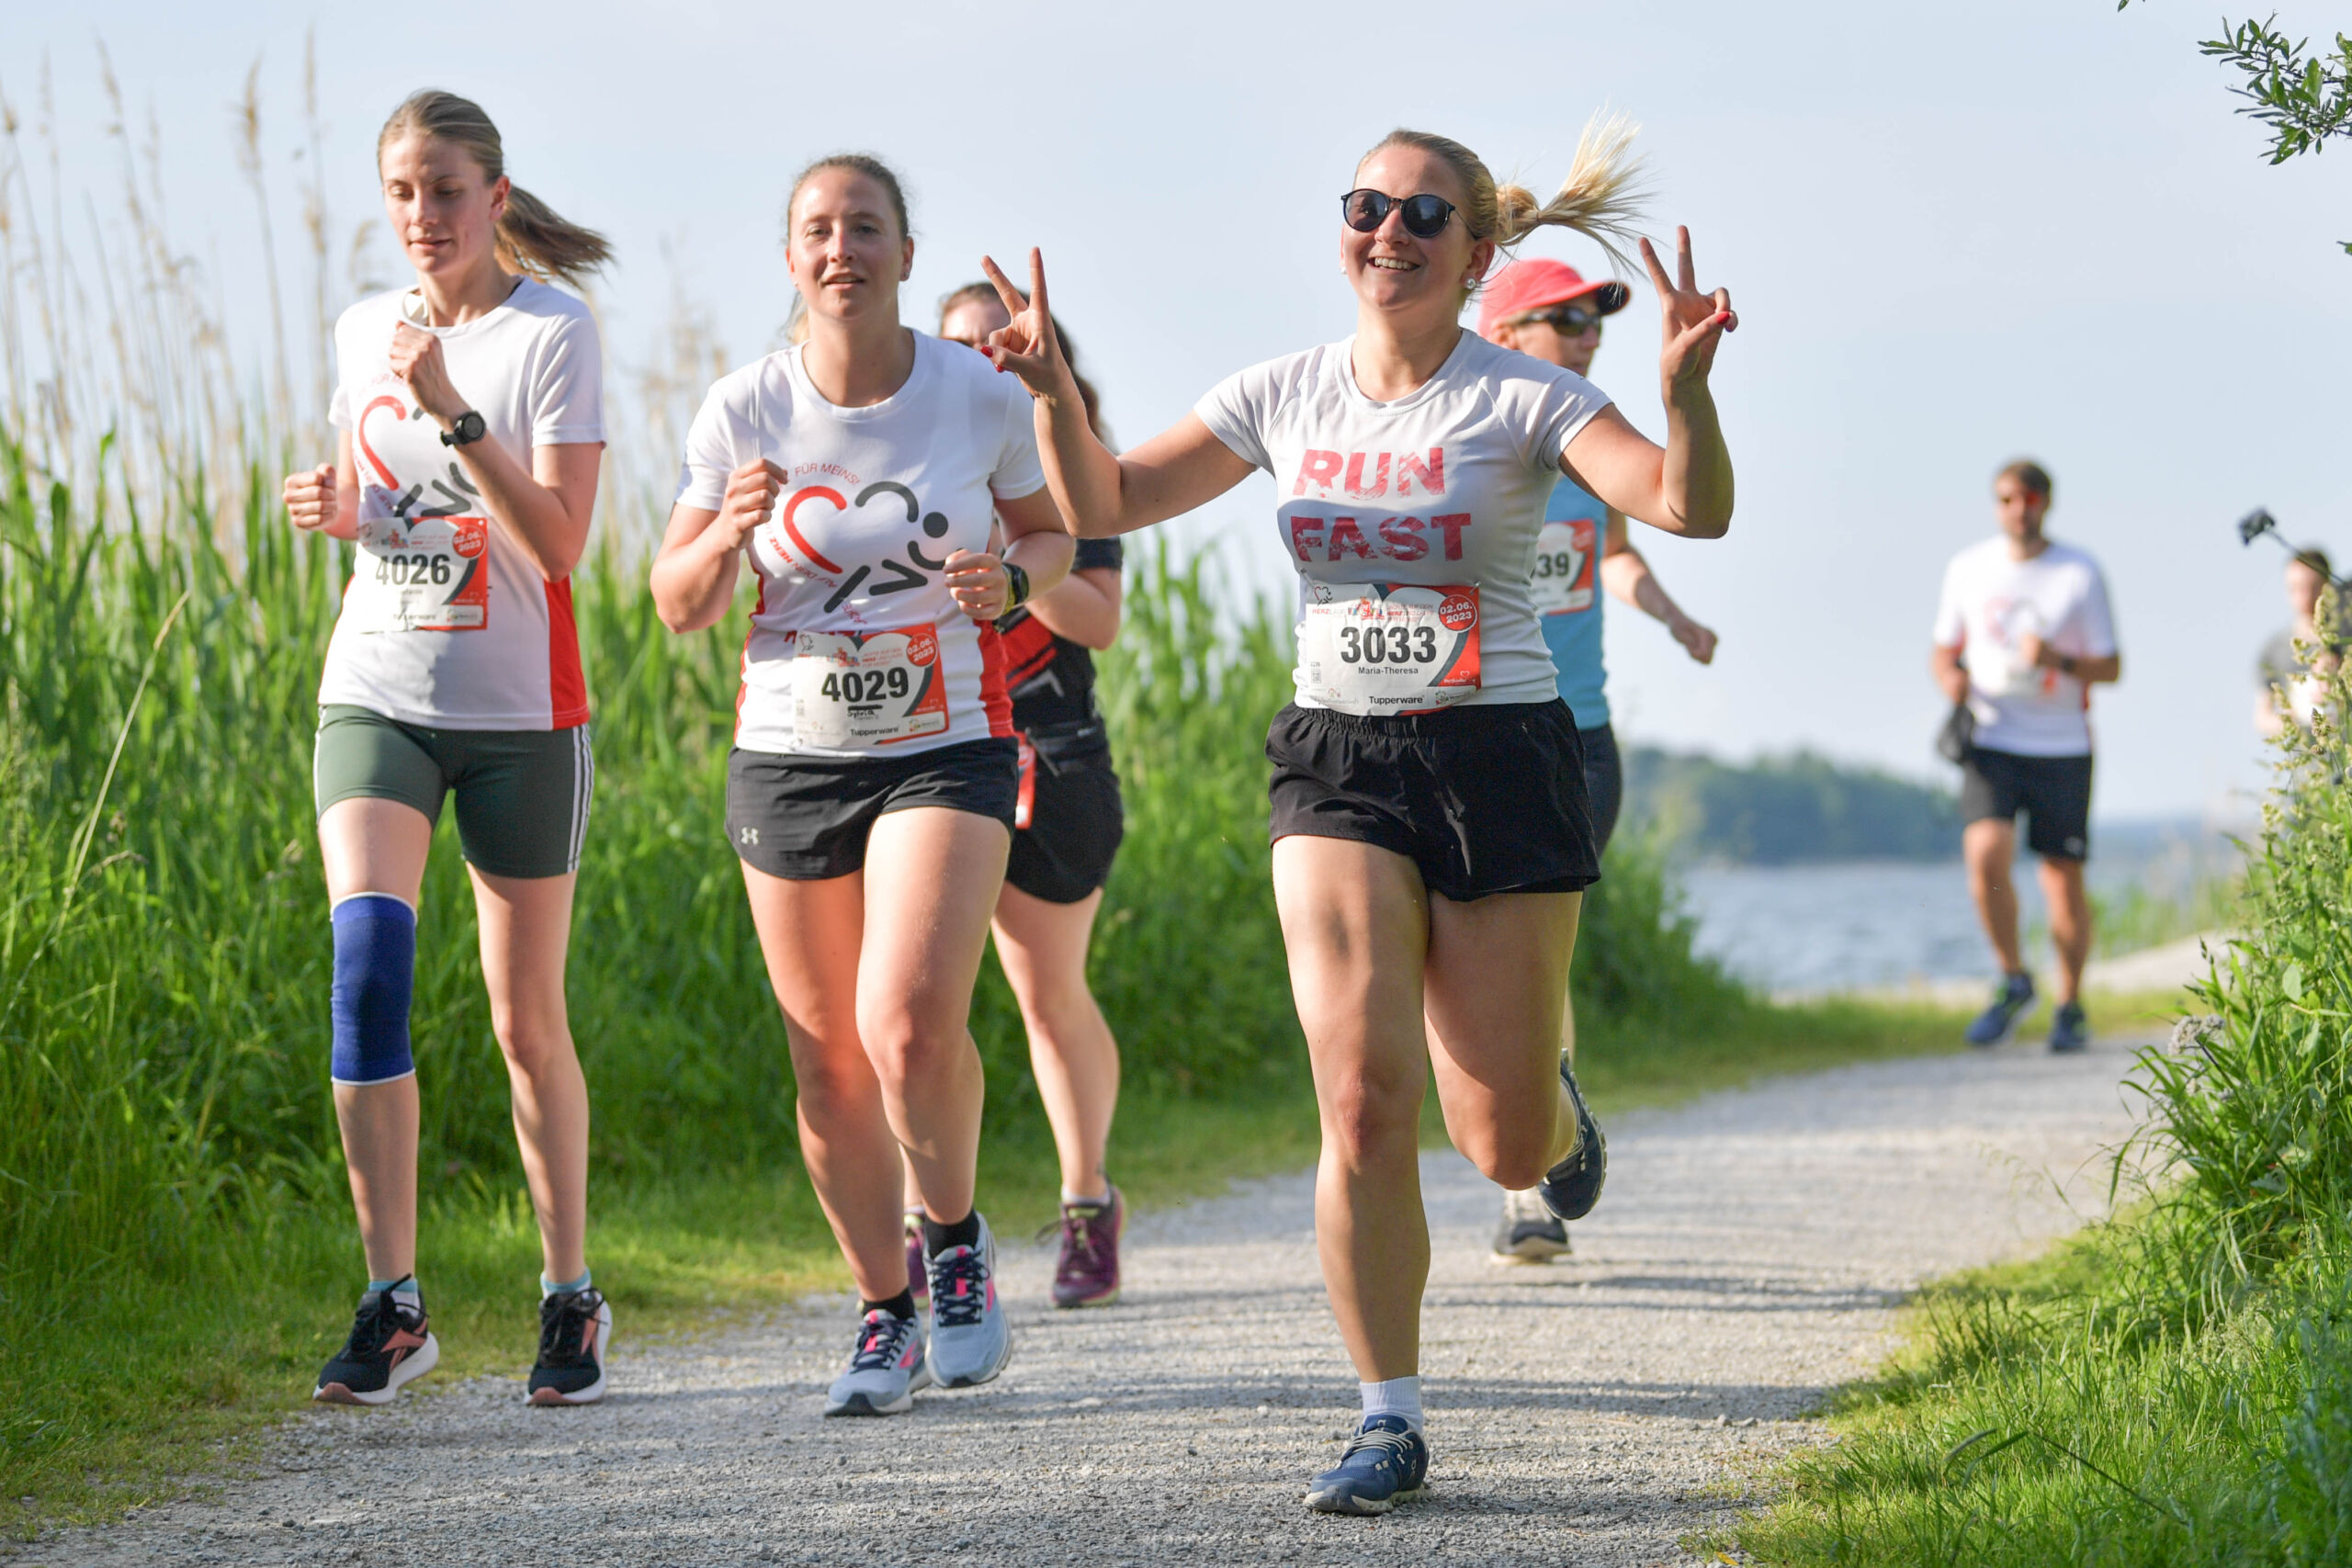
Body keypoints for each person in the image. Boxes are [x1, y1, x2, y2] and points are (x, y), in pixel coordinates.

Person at [982, 116, 1736, 1513]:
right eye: (1364, 207)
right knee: (1361, 1095)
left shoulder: (1525, 399)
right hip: (1338, 757)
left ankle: (1554, 1130)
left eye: (1419, 216)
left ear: (1476, 249)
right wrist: (1044, 389)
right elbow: (1112, 499)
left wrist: (1684, 392)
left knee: (1498, 1139)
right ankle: (1387, 1410)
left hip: (1504, 752)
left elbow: (1688, 508)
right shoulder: (1284, 392)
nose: (1386, 233)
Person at [650, 154, 1073, 1418]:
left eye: (867, 228)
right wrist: (725, 531)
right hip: (788, 751)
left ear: (901, 248)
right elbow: (676, 603)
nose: (842, 248)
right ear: (792, 259)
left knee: (903, 1018)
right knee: (830, 1062)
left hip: (947, 735)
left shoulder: (973, 391)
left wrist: (1016, 582)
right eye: (819, 231)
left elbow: (1049, 534)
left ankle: (952, 1242)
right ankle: (882, 1307)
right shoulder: (741, 409)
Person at [280, 90, 614, 1407]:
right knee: (367, 967)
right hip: (378, 690)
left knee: (526, 1020)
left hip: (522, 714)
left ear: (495, 194)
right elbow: (392, 499)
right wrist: (343, 504)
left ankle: (569, 1292)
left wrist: (454, 408)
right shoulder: (367, 326)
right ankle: (392, 1297)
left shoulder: (554, 333)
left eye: (448, 189)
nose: (425, 216)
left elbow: (559, 545)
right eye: (405, 193)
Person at [1475, 258, 1721, 1267]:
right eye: (1567, 320)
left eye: (1595, 323)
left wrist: (1671, 617)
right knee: (1471, 964)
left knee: (1537, 954)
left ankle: (1527, 1182)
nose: (1588, 336)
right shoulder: (1468, 447)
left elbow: (1614, 551)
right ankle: (1532, 1122)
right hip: (1466, 727)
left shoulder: (1591, 447)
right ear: (1508, 331)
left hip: (1576, 738)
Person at [890, 285, 1128, 1312]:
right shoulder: (897, 469)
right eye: (953, 349)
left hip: (1049, 756)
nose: (976, 364)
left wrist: (1020, 575)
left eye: (999, 346)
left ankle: (1086, 1203)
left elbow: (1103, 621)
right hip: (917, 752)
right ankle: (924, 1227)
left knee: (1043, 992)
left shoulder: (1075, 472)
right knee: (912, 1008)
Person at [1930, 460, 2120, 1053]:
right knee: (1985, 856)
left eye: (2030, 498)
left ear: (2047, 504)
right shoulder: (1967, 567)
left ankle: (2069, 1002)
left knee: (2061, 882)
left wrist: (2056, 661)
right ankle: (2013, 978)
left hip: (2061, 743)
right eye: (2008, 498)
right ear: (1996, 504)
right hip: (1992, 738)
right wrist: (1951, 683)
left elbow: (2112, 667)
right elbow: (1942, 653)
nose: (2019, 508)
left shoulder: (2079, 572)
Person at [2256, 548, 2341, 739]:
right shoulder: (2275, 649)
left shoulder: (2344, 639)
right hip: (2306, 759)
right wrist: (2288, 722)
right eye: (2296, 588)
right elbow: (2262, 716)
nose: (2305, 597)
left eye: (2313, 587)